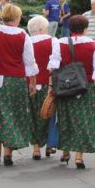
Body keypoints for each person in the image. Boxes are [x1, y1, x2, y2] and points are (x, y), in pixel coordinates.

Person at [0, 4, 38, 166]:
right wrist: (32, 83)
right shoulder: (23, 34)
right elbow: (30, 62)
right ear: (16, 18)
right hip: (16, 80)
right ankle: (8, 154)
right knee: (13, 115)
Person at [48, 15, 95, 169]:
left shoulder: (59, 43)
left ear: (70, 28)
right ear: (85, 29)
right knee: (83, 121)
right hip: (84, 87)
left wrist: (51, 88)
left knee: (66, 119)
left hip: (64, 87)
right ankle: (79, 157)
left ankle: (66, 151)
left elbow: (53, 67)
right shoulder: (93, 45)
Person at [27, 15, 55, 159]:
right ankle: (50, 145)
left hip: (29, 84)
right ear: (42, 29)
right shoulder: (52, 41)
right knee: (48, 113)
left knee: (32, 115)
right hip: (47, 84)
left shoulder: (25, 42)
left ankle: (36, 148)